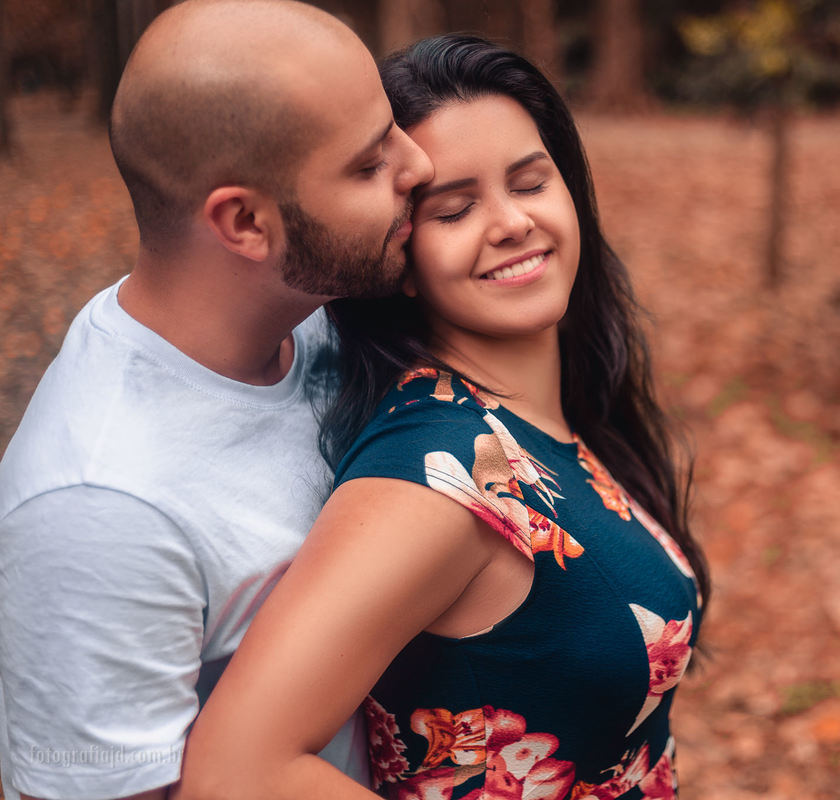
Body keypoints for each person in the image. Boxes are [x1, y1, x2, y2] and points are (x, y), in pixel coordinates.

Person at [174, 35, 711, 800]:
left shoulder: (541, 421)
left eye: (530, 184)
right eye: (455, 209)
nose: (510, 223)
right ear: (401, 255)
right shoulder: (439, 473)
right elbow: (235, 772)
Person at [0, 2, 433, 798]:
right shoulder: (103, 507)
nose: (419, 167)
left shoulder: (319, 319)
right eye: (369, 167)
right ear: (244, 223)